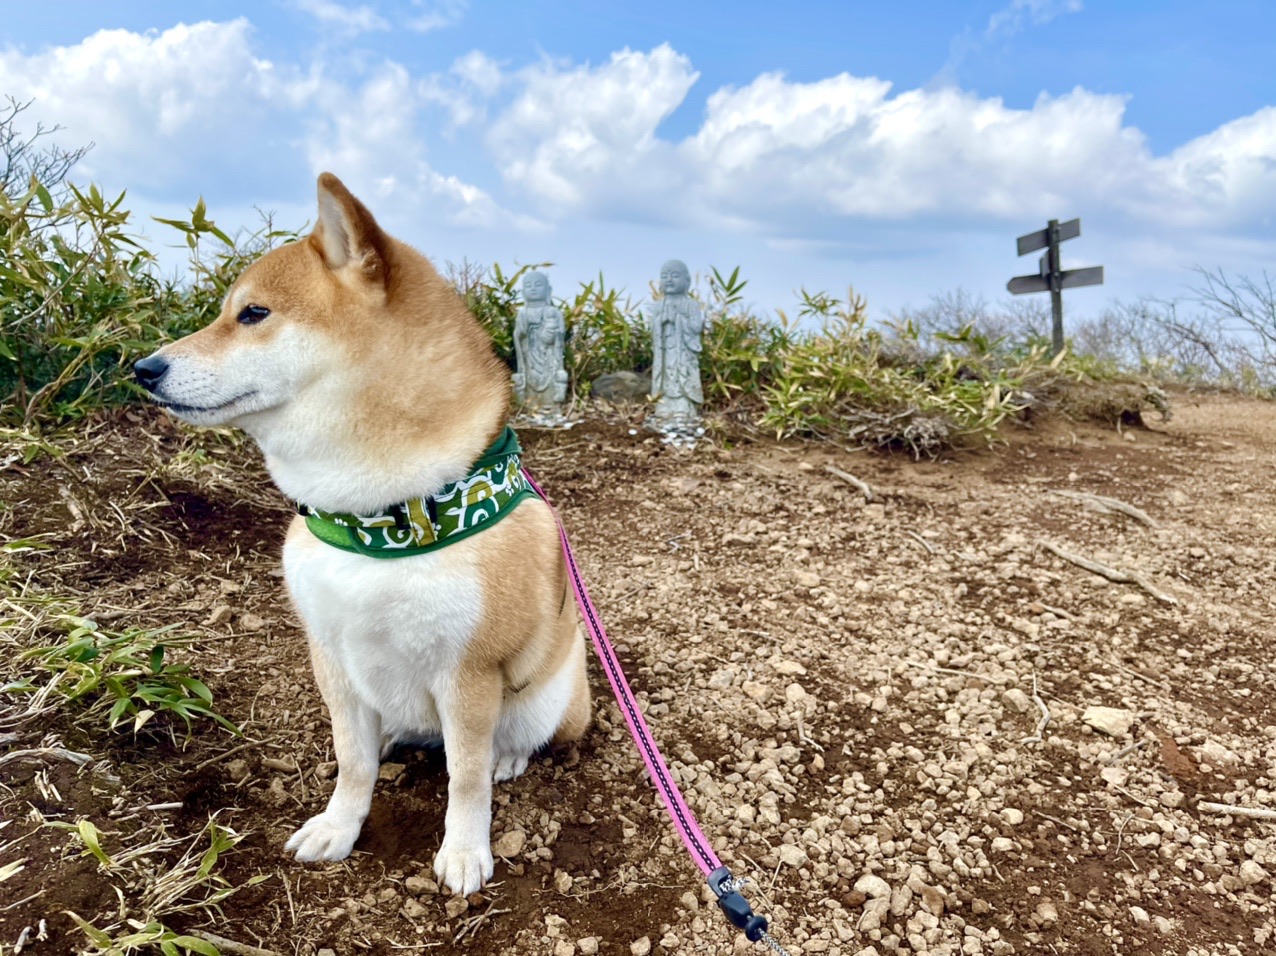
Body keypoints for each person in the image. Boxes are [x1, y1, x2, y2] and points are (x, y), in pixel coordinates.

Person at [648, 259, 704, 425]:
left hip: (683, 353)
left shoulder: (691, 304)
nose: (669, 280)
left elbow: (696, 327)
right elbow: (653, 328)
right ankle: (663, 405)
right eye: (664, 276)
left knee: (682, 376)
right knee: (664, 376)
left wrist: (678, 320)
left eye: (674, 276)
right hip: (664, 352)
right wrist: (661, 322)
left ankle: (683, 406)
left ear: (687, 281)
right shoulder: (659, 305)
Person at [512, 271, 568, 410]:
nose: (533, 288)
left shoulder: (554, 312)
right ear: (523, 291)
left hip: (548, 356)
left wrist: (553, 334)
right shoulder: (523, 313)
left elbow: (560, 333)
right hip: (529, 356)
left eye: (538, 285)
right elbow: (518, 335)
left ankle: (550, 406)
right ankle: (530, 406)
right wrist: (520, 333)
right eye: (528, 285)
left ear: (548, 290)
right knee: (530, 380)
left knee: (550, 378)